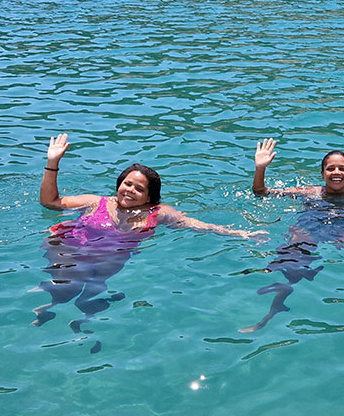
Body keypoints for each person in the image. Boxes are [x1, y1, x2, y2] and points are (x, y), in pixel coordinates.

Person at [33, 134, 265, 340]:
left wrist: (240, 234)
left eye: (139, 189)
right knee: (69, 285)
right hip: (72, 247)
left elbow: (195, 224)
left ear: (149, 196)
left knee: (93, 290)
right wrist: (52, 163)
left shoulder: (158, 213)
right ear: (119, 185)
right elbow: (50, 202)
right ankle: (49, 305)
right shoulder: (96, 202)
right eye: (127, 184)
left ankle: (82, 322)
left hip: (110, 257)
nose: (130, 190)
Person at [239, 138, 344, 333]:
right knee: (290, 270)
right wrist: (260, 169)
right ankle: (272, 310)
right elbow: (261, 193)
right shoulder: (309, 192)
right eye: (330, 168)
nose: (336, 173)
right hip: (310, 228)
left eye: (342, 169)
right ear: (323, 173)